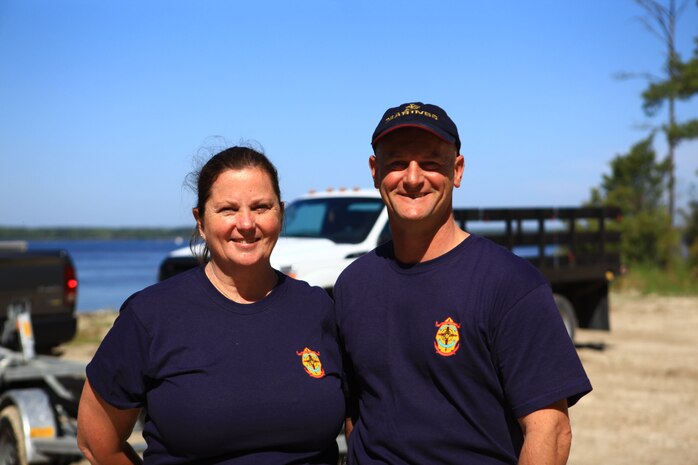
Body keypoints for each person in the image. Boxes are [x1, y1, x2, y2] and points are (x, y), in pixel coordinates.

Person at [334, 102, 592, 465]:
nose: (412, 177)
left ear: (457, 170)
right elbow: (356, 411)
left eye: (430, 162)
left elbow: (550, 430)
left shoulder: (511, 284)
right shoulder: (352, 285)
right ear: (375, 172)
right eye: (396, 162)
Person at [77, 146, 345, 465]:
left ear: (280, 213)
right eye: (228, 209)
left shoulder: (317, 308)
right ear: (201, 221)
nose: (246, 224)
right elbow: (97, 441)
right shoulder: (151, 315)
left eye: (261, 207)